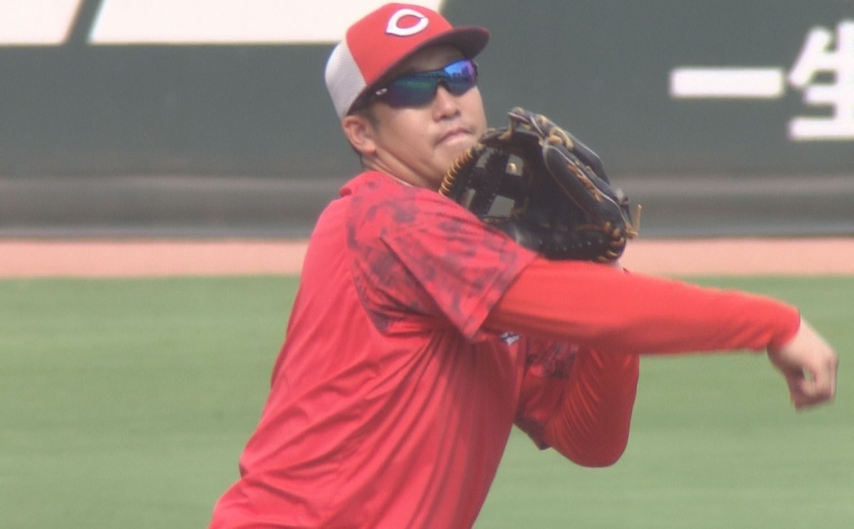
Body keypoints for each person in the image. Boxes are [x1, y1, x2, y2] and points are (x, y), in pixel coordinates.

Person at [209, 3, 838, 527]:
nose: (447, 101)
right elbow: (589, 310)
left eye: (458, 75)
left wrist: (601, 275)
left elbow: (589, 440)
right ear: (362, 134)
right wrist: (771, 323)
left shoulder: (481, 251)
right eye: (411, 90)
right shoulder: (383, 218)